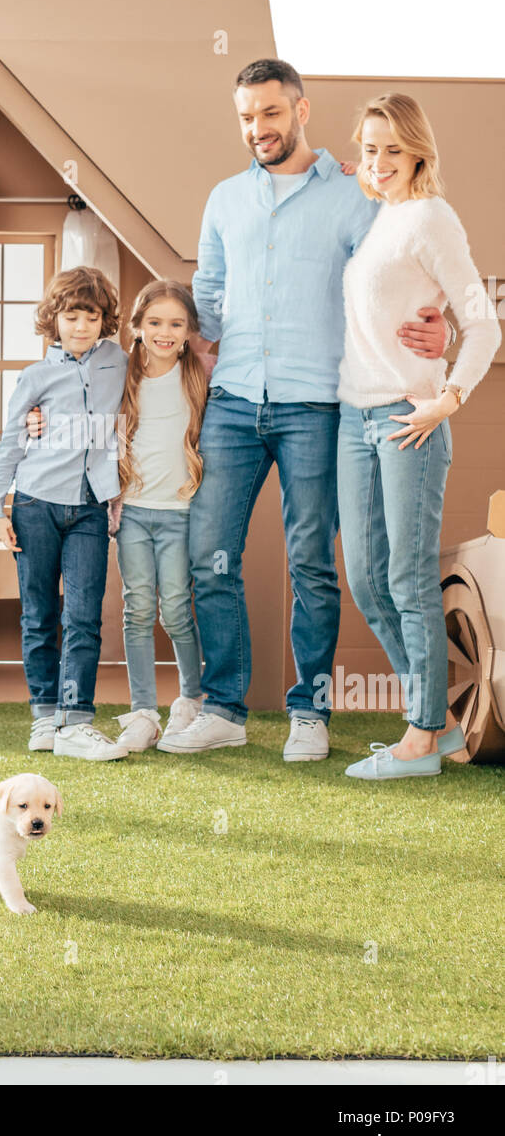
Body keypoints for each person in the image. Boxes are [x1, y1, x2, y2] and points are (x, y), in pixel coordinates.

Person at [160, 58, 451, 761]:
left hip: (317, 402)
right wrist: (194, 346)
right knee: (209, 556)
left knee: (310, 562)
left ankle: (309, 713)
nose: (257, 128)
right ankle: (224, 708)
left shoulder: (357, 194)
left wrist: (435, 324)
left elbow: (398, 275)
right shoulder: (224, 198)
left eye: (269, 112)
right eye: (246, 116)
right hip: (234, 399)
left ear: (300, 110)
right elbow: (212, 292)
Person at [338, 93, 501, 780]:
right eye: (369, 148)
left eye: (391, 150)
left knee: (405, 579)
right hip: (355, 419)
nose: (378, 162)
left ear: (418, 153)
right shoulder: (381, 219)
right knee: (367, 580)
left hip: (408, 424)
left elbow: (481, 322)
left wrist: (446, 400)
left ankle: (420, 735)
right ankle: (429, 719)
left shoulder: (431, 217)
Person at [0, 266, 130, 761]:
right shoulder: (35, 377)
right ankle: (45, 715)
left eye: (91, 316)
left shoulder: (119, 362)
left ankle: (76, 720)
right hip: (34, 503)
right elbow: (10, 442)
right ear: (55, 319)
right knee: (39, 614)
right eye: (72, 316)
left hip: (91, 506)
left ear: (104, 320)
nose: (82, 326)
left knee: (84, 614)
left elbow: (135, 407)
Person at [110, 281, 209, 751]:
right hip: (132, 512)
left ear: (190, 331)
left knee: (175, 609)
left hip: (180, 513)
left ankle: (191, 699)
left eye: (175, 324)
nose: (164, 333)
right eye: (154, 323)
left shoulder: (199, 375)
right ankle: (143, 710)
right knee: (138, 609)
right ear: (137, 327)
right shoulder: (122, 373)